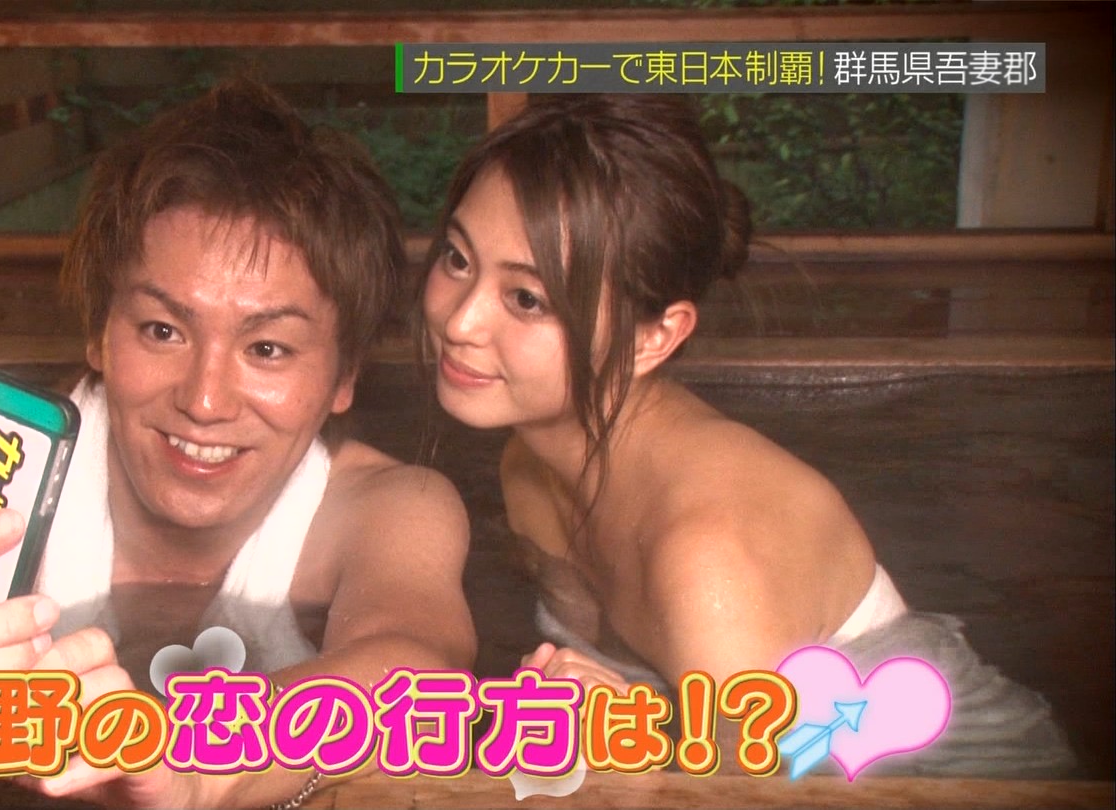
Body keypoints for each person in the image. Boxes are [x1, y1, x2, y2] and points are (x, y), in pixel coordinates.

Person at [0, 79, 476, 807]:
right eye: (162, 331)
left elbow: (417, 660)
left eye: (268, 349)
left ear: (344, 377)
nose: (204, 402)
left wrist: (201, 768)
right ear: (99, 332)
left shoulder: (383, 507)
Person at [419, 93, 1074, 778]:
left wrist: (630, 755)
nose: (460, 321)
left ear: (655, 337)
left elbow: (755, 798)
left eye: (526, 299)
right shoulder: (529, 462)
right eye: (458, 259)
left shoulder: (708, 561)